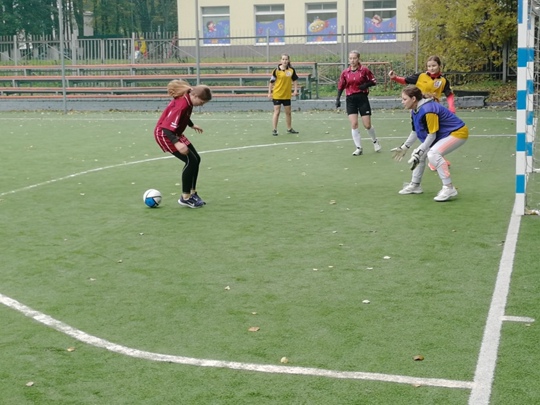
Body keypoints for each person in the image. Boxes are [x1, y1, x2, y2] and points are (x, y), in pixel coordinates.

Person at [391, 85, 468, 202]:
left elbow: (432, 135)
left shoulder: (428, 110)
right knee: (420, 154)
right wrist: (404, 147)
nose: (402, 102)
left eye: (404, 99)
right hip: (444, 134)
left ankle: (449, 188)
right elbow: (415, 131)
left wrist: (420, 151)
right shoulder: (415, 109)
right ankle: (415, 185)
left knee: (433, 154)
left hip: (458, 133)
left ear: (413, 99)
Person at [154, 80, 213, 208]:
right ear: (195, 96)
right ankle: (185, 198)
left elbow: (183, 116)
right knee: (190, 161)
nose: (202, 105)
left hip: (175, 133)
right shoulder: (182, 104)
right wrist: (177, 144)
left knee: (196, 159)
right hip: (165, 135)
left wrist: (191, 125)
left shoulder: (188, 99)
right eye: (201, 102)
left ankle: (192, 193)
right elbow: (166, 127)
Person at [389, 55, 455, 170]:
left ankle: (435, 157)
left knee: (435, 134)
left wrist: (451, 107)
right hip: (419, 110)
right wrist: (395, 78)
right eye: (429, 66)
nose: (431, 68)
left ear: (439, 66)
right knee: (425, 134)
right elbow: (405, 80)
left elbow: (449, 94)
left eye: (434, 65)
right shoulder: (420, 76)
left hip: (433, 111)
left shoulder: (443, 80)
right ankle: (432, 159)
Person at [335, 50, 381, 155]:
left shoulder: (364, 70)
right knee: (354, 124)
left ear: (358, 59)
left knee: (367, 125)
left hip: (362, 98)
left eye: (354, 58)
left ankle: (375, 141)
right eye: (350, 58)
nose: (352, 60)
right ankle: (359, 148)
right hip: (350, 99)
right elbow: (341, 86)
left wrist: (365, 85)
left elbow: (373, 81)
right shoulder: (345, 73)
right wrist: (338, 99)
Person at [268, 54, 299, 136]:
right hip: (277, 94)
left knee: (288, 113)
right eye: (283, 59)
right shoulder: (276, 70)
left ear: (288, 60)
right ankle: (274, 129)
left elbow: (295, 80)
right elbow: (271, 83)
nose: (285, 61)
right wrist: (269, 93)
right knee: (277, 112)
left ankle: (289, 128)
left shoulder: (291, 70)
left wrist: (295, 90)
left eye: (286, 59)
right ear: (280, 60)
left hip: (287, 95)